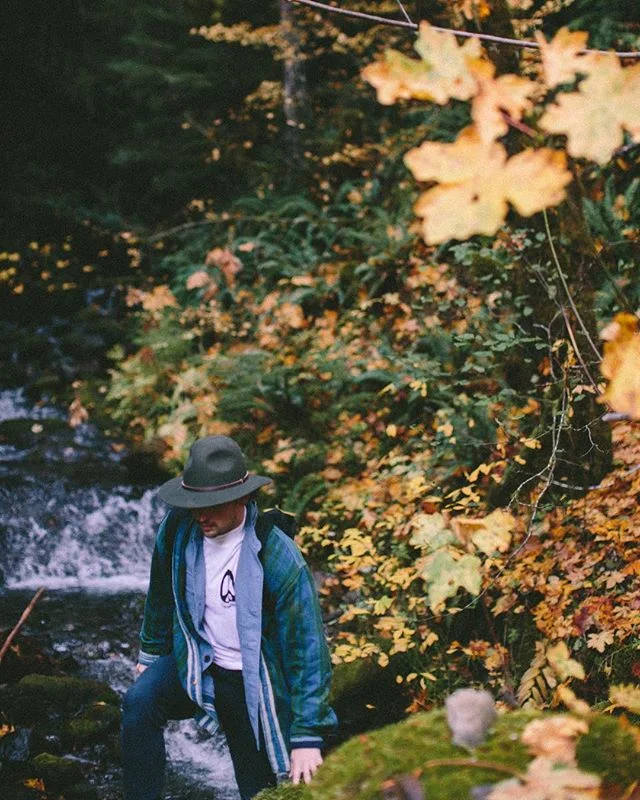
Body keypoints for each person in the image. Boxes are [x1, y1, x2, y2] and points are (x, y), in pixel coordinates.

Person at [121, 435, 337, 800]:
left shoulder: (277, 556)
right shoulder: (178, 530)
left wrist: (306, 736)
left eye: (211, 505)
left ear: (241, 498)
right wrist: (150, 654)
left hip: (251, 683)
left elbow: (308, 650)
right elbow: (160, 595)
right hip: (197, 662)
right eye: (194, 504)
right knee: (139, 702)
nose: (200, 515)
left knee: (258, 789)